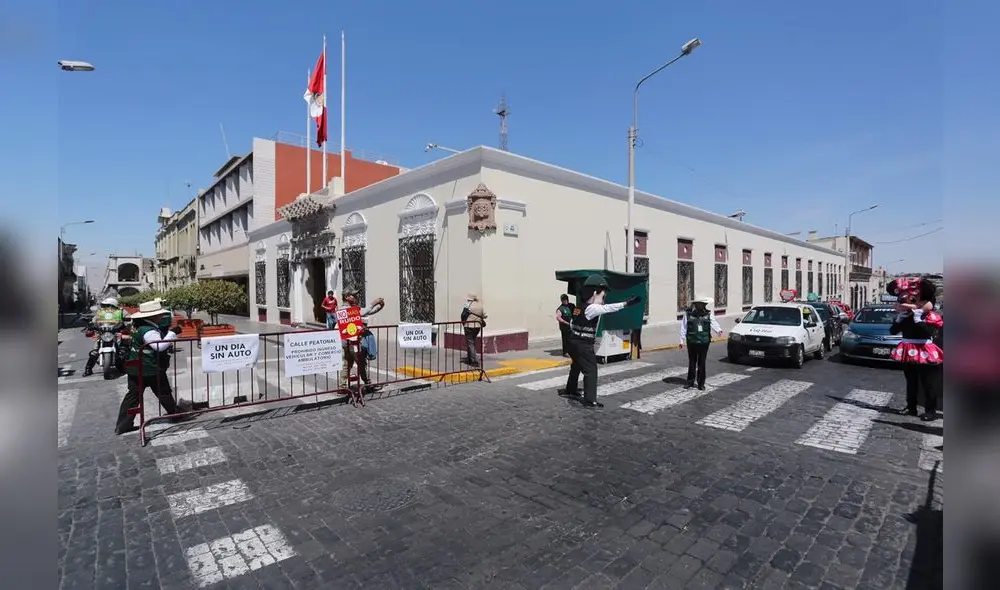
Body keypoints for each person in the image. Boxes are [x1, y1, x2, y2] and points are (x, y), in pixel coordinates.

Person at [562, 274, 642, 408]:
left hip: (573, 342)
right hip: (583, 345)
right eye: (603, 295)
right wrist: (626, 303)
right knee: (591, 370)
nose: (604, 299)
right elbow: (608, 308)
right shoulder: (592, 308)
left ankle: (570, 390)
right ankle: (589, 400)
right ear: (594, 293)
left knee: (576, 366)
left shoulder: (578, 307)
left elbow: (572, 323)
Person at [115, 299, 191, 435]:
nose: (162, 316)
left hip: (136, 367)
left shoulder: (138, 325)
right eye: (159, 314)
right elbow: (159, 346)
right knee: (163, 392)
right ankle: (175, 415)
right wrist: (173, 333)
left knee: (133, 396)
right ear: (153, 316)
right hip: (149, 367)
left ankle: (123, 425)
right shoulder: (148, 330)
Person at [888, 277, 943, 421]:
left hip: (925, 350)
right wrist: (898, 321)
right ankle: (911, 407)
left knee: (928, 382)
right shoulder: (905, 316)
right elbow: (892, 332)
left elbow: (929, 333)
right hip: (908, 349)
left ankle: (931, 411)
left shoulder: (929, 316)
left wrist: (919, 320)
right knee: (910, 380)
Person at [340, 293, 385, 390]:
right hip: (352, 342)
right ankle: (367, 383)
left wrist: (380, 307)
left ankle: (342, 386)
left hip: (348, 341)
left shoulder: (351, 308)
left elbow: (368, 312)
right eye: (352, 295)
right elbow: (363, 312)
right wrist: (374, 302)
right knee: (360, 362)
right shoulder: (345, 309)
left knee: (347, 363)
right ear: (346, 297)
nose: (355, 297)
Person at [679, 295, 724, 390]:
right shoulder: (688, 314)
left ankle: (701, 383)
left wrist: (718, 330)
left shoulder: (708, 314)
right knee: (692, 362)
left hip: (704, 341)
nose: (700, 306)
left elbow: (713, 322)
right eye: (698, 304)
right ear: (695, 305)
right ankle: (690, 382)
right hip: (692, 341)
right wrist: (681, 340)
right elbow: (684, 326)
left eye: (702, 304)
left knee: (701, 362)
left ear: (704, 305)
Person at [83, 297, 126, 377]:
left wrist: (126, 323)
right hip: (102, 334)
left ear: (114, 305)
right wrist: (90, 325)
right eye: (105, 305)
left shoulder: (121, 312)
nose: (106, 307)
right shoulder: (100, 313)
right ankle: (88, 369)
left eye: (108, 305)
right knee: (94, 351)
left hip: (116, 334)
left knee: (121, 350)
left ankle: (121, 368)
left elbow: (128, 320)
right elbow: (94, 321)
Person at [461, 293, 487, 367]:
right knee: (472, 342)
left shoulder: (468, 304)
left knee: (470, 343)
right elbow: (484, 315)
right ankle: (469, 358)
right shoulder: (480, 305)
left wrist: (463, 322)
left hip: (469, 326)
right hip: (478, 326)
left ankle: (474, 361)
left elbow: (463, 314)